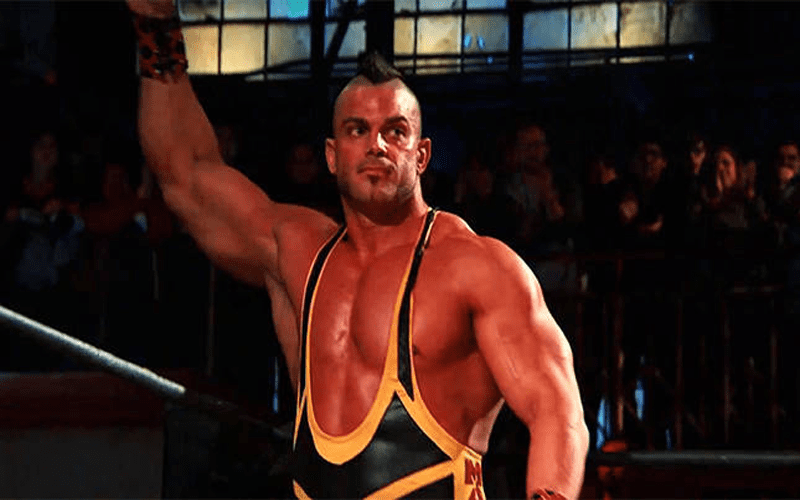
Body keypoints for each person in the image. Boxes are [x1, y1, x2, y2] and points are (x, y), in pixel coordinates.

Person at [126, 1, 589, 498]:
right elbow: (184, 173)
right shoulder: (299, 254)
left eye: (395, 131)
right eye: (357, 130)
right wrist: (157, 25)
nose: (377, 145)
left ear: (421, 155)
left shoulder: (475, 267)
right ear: (332, 155)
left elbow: (557, 411)